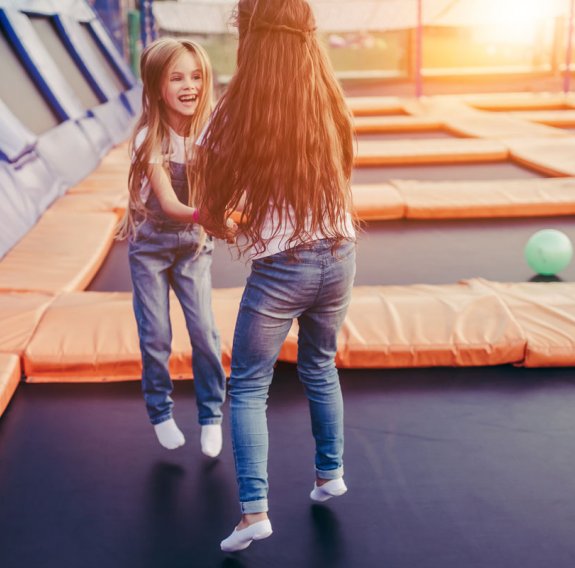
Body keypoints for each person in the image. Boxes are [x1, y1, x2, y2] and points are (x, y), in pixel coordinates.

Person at [193, 0, 358, 551]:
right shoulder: (329, 98)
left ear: (249, 34)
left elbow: (211, 205)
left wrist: (230, 218)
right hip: (340, 255)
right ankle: (329, 474)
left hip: (282, 267)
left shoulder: (235, 107)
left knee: (248, 385)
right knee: (318, 364)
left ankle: (254, 513)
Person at [116, 38, 235, 457]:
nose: (190, 86)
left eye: (196, 76)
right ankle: (160, 412)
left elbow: (227, 184)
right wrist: (213, 218)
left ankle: (211, 415)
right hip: (150, 247)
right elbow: (168, 202)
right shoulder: (149, 137)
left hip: (193, 248)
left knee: (204, 332)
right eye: (177, 77)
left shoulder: (210, 133)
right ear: (156, 86)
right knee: (156, 336)